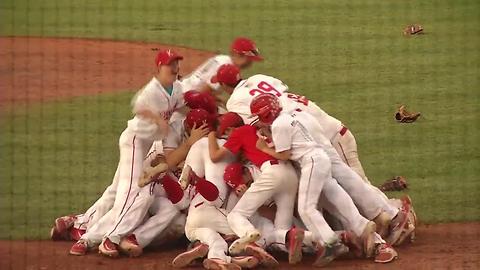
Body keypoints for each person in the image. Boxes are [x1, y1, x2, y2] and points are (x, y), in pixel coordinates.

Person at [69, 49, 185, 256]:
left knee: (121, 191)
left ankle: (86, 235)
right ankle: (109, 238)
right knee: (133, 192)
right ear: (160, 67)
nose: (175, 67)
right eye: (170, 64)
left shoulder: (177, 88)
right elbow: (138, 107)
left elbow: (186, 106)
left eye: (176, 63)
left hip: (147, 144)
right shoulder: (152, 90)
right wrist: (157, 119)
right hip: (134, 141)